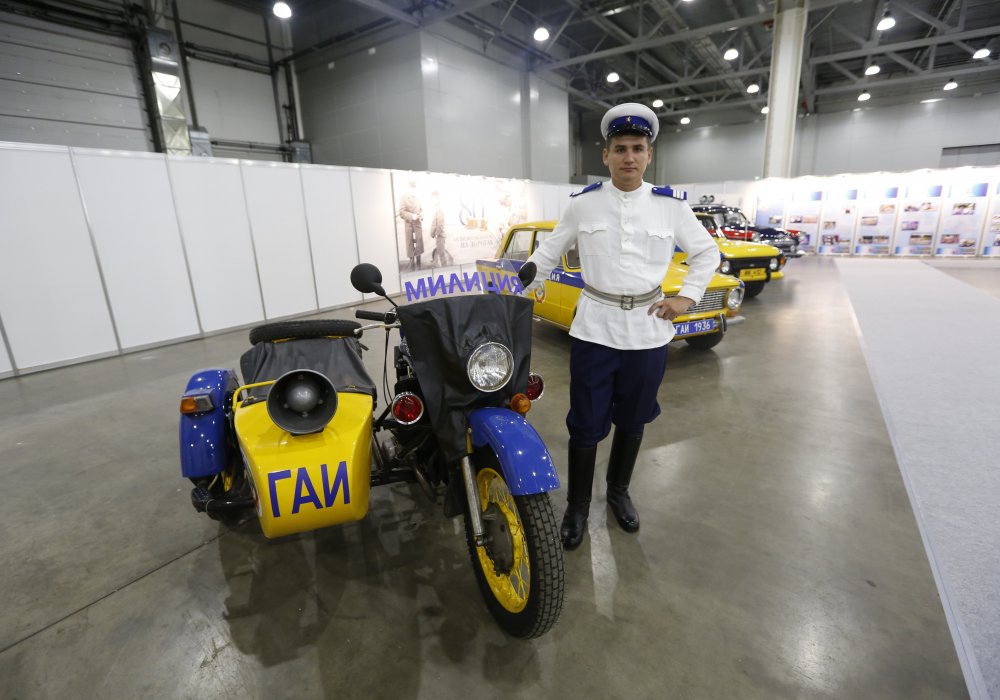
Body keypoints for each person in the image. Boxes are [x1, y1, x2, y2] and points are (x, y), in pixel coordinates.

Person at [523, 103, 719, 550]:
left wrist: (686, 296)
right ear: (605, 156)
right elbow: (550, 250)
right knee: (585, 423)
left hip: (649, 332)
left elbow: (707, 254)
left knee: (633, 420)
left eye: (637, 148)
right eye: (619, 149)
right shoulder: (582, 204)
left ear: (649, 155)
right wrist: (523, 278)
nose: (628, 157)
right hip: (595, 329)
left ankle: (617, 492)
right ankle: (576, 505)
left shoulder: (671, 208)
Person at [398, 179, 424, 270]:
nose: (413, 189)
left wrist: (421, 215)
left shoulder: (417, 197)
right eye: (411, 187)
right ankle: (411, 264)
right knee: (410, 245)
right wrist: (412, 216)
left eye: (414, 187)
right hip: (409, 225)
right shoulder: (403, 197)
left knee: (419, 245)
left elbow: (421, 209)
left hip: (417, 225)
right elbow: (401, 212)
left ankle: (419, 263)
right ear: (408, 187)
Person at [429, 190, 453, 267]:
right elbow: (434, 223)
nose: (433, 200)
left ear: (437, 199)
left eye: (434, 198)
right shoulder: (436, 209)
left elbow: (440, 224)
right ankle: (444, 266)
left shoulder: (440, 209)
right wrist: (432, 233)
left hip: (440, 235)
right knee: (440, 252)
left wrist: (436, 234)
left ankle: (445, 268)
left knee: (441, 253)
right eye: (432, 198)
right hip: (438, 235)